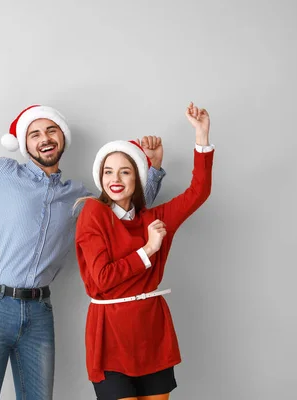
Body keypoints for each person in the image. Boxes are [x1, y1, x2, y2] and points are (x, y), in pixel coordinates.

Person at [0, 76, 167, 400]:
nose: (45, 139)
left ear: (62, 139)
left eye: (51, 130)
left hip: (39, 312)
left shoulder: (81, 199)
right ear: (25, 144)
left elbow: (129, 208)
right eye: (35, 133)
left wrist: (152, 170)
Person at [75, 102, 214, 400]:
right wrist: (149, 249)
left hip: (151, 329)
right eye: (108, 172)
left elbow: (198, 191)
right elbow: (102, 279)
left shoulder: (155, 219)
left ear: (137, 177)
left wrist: (201, 136)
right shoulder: (93, 212)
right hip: (110, 332)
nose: (115, 179)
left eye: (124, 172)